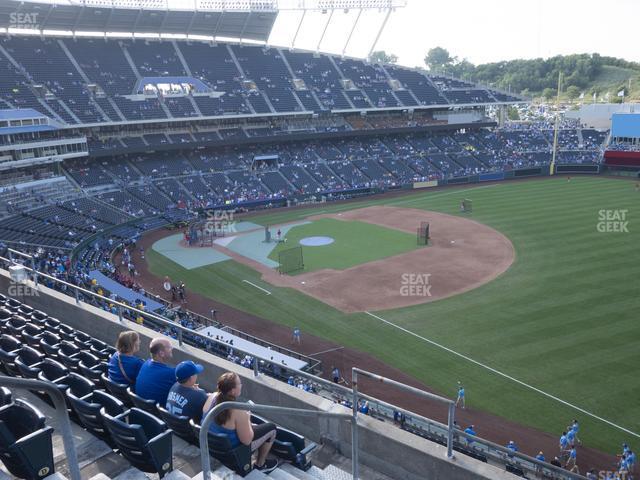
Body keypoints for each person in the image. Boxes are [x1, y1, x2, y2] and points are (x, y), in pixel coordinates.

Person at [203, 372, 278, 473]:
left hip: (212, 445)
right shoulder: (238, 411)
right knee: (272, 428)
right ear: (233, 391)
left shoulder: (212, 396)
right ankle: (260, 464)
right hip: (232, 451)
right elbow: (247, 441)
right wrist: (247, 418)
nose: (241, 385)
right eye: (240, 383)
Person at [135, 338, 176, 405]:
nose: (172, 348)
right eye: (169, 347)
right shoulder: (170, 373)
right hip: (158, 413)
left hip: (142, 410)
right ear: (161, 353)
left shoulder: (145, 364)